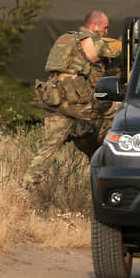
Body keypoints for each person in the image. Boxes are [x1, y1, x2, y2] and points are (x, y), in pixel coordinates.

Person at [24, 10, 121, 188]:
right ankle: (116, 171)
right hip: (76, 102)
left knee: (48, 149)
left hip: (55, 100)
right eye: (105, 28)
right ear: (95, 26)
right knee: (123, 110)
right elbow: (123, 49)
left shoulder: (65, 39)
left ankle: (27, 186)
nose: (107, 32)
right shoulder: (92, 42)